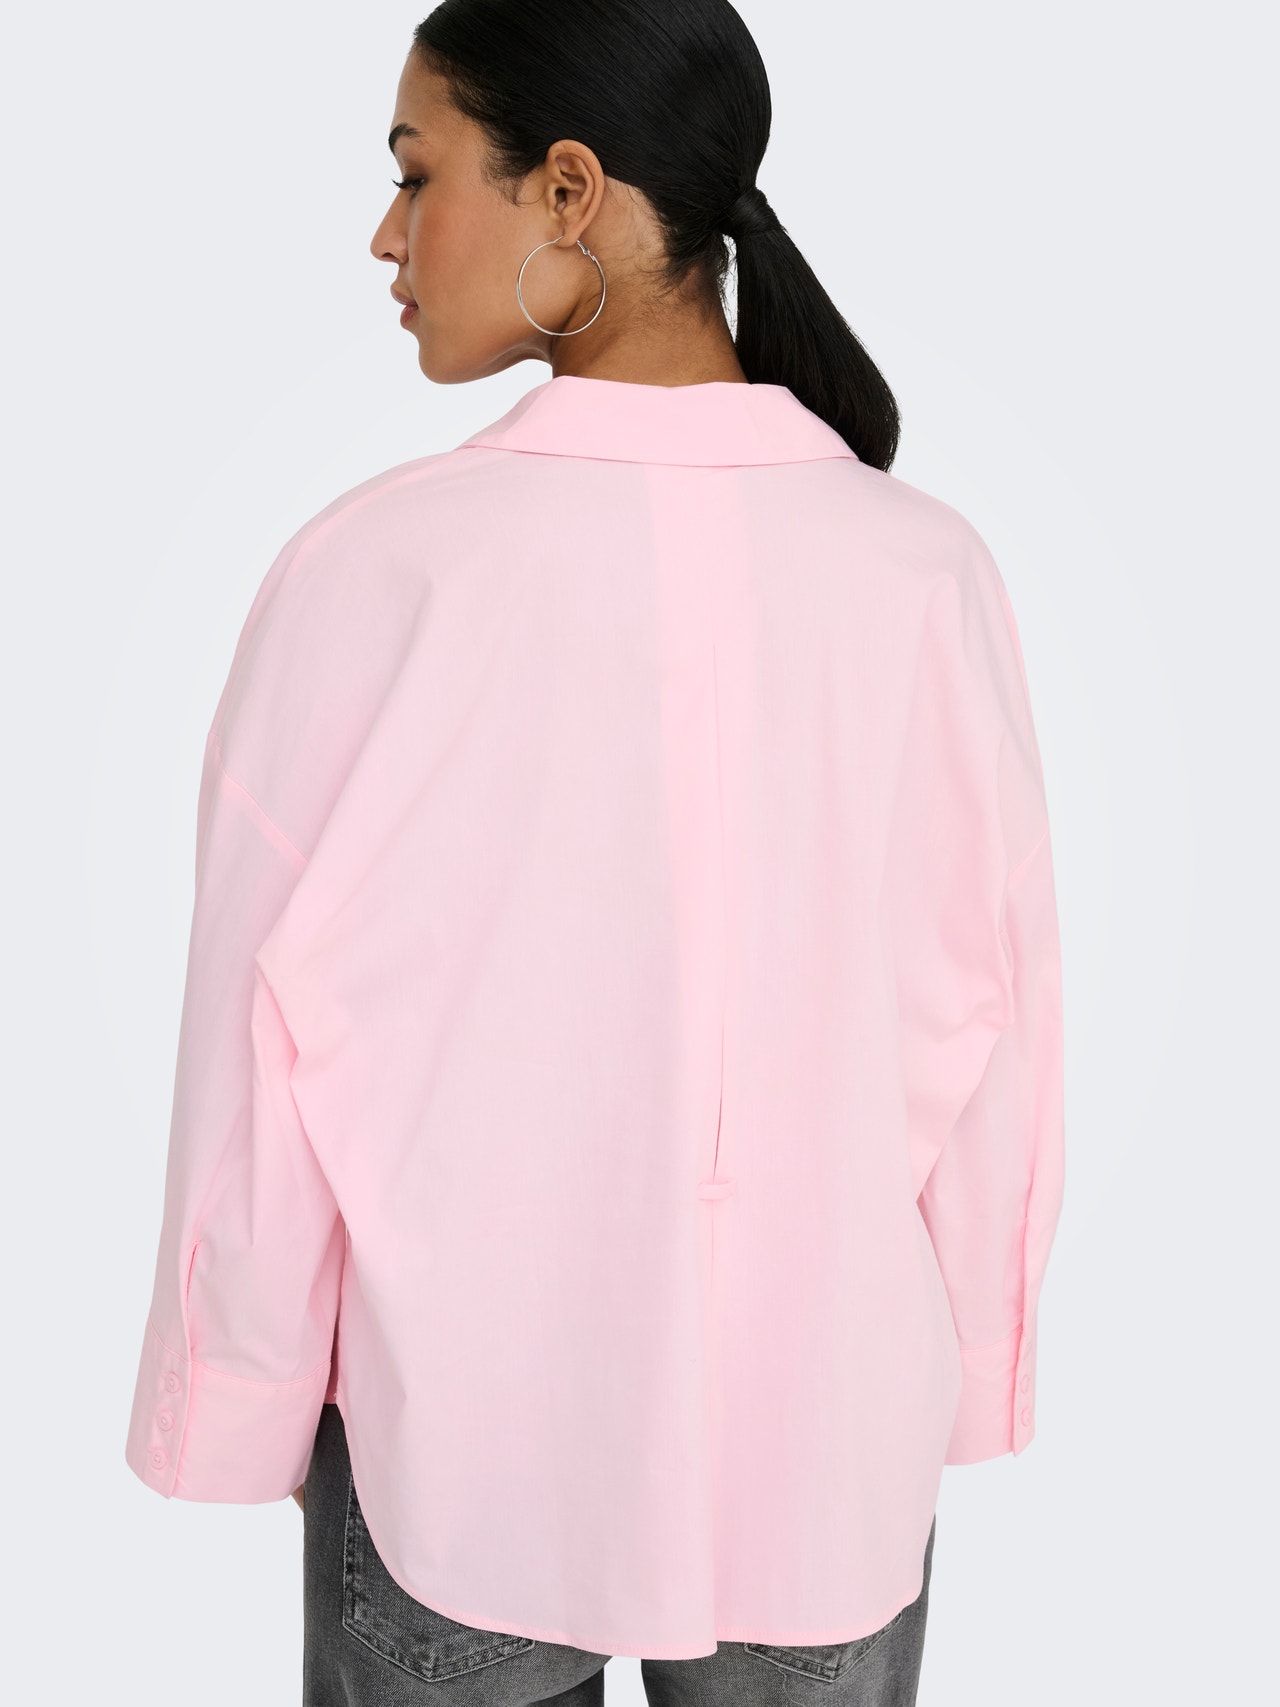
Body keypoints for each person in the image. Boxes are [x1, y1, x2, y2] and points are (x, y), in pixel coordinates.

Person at [123, 2, 1066, 1703]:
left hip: (454, 1447)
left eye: (417, 176)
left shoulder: (374, 573)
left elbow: (255, 1047)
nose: (387, 237)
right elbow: (999, 1013)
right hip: (825, 1445)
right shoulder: (926, 573)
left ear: (569, 189)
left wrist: (240, 1393)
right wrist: (981, 1363)